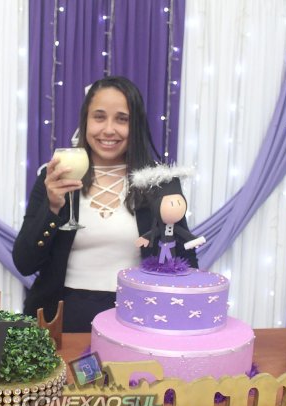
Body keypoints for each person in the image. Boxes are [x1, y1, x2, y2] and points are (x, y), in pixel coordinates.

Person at [13, 76, 196, 332]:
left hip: (136, 317)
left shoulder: (159, 181)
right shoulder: (56, 176)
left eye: (122, 119)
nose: (109, 130)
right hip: (61, 319)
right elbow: (24, 262)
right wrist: (52, 208)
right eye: (99, 117)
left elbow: (187, 264)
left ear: (136, 125)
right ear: (85, 121)